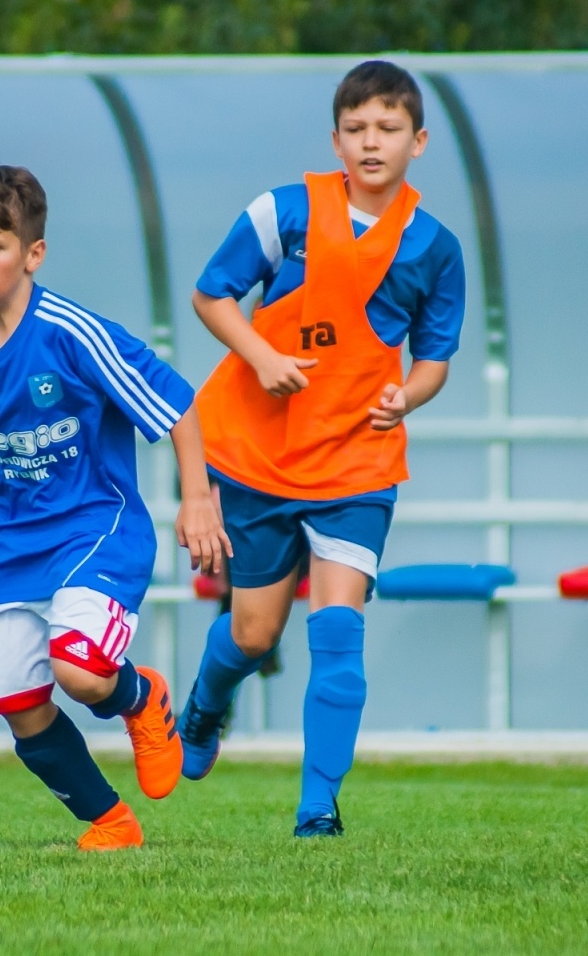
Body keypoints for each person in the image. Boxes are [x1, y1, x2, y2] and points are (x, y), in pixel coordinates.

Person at [0, 162, 230, 850]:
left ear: (33, 254)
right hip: (5, 543)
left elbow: (177, 402)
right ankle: (110, 823)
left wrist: (197, 500)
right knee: (20, 705)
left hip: (94, 526)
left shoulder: (72, 333)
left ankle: (140, 699)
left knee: (79, 671)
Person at [176, 61, 466, 836]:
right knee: (253, 634)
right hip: (260, 456)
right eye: (358, 128)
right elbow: (210, 293)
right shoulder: (285, 211)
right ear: (336, 138)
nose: (372, 142)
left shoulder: (435, 249)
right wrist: (262, 358)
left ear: (419, 141)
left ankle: (317, 808)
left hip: (356, 462)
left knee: (336, 628)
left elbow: (434, 359)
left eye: (389, 128)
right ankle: (204, 707)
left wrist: (409, 394)